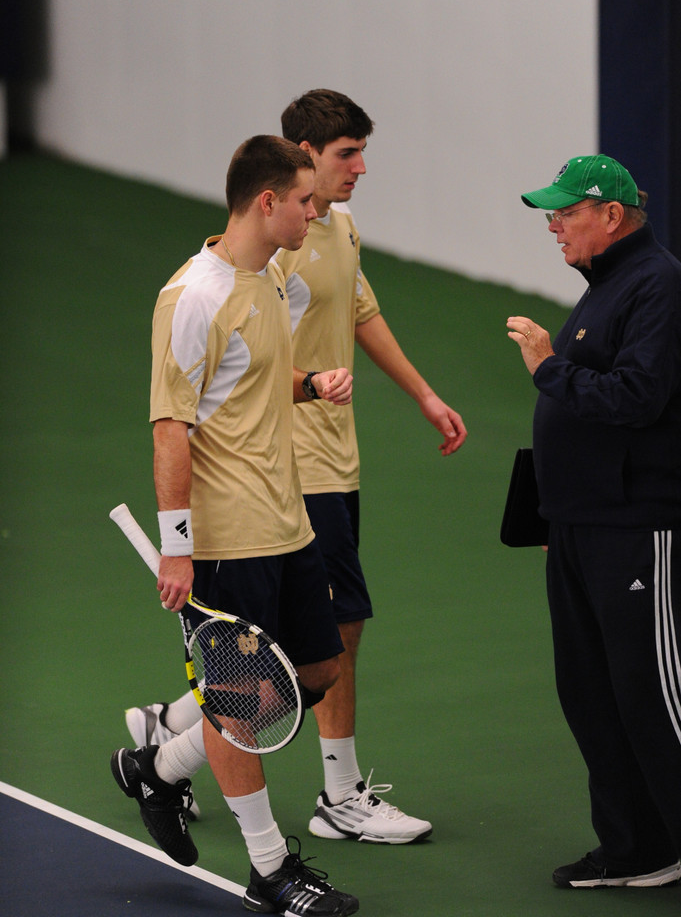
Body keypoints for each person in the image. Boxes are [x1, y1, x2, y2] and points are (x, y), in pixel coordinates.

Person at [124, 90, 467, 845]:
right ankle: (298, 825)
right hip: (259, 496)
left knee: (313, 658)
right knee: (283, 663)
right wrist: (176, 541)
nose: (355, 175)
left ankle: (165, 746)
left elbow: (351, 320)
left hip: (309, 481)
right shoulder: (216, 282)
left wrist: (391, 392)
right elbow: (173, 424)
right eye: (345, 156)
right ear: (287, 180)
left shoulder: (308, 246)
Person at [111, 134, 360, 917]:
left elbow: (247, 378)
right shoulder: (193, 296)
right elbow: (169, 429)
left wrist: (309, 385)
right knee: (244, 704)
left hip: (288, 523)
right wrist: (179, 551)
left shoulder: (266, 280)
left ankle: (157, 767)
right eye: (304, 202)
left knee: (314, 674)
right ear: (267, 202)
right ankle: (269, 867)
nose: (315, 212)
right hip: (227, 538)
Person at [506, 154, 681, 889]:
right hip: (579, 526)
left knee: (653, 698)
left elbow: (637, 397)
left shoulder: (659, 285)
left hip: (635, 529)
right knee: (591, 692)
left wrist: (548, 366)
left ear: (610, 215)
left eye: (564, 212)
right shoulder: (609, 287)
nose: (552, 224)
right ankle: (636, 847)